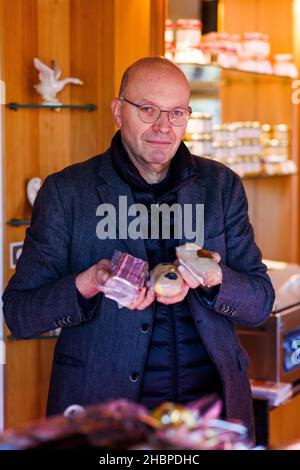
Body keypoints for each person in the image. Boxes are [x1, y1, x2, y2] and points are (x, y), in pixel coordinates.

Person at [3, 57, 274, 442]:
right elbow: (20, 314)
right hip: (104, 417)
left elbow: (260, 301)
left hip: (210, 415)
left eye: (177, 112)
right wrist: (87, 282)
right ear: (118, 111)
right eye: (147, 110)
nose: (163, 126)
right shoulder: (67, 192)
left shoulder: (221, 187)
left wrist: (216, 279)